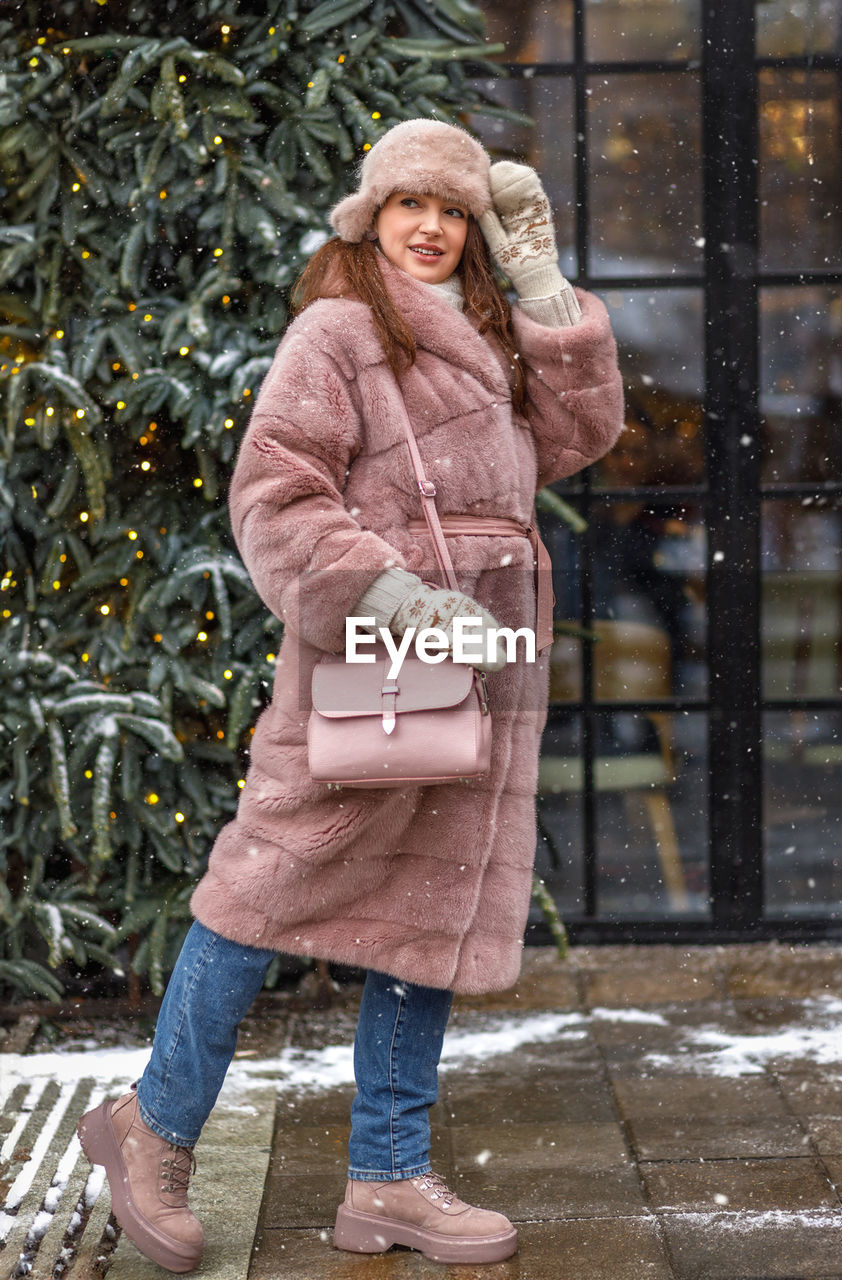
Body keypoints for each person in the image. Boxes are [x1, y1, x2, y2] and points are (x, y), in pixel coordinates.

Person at [76, 118, 623, 1271]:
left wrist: (543, 290)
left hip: (487, 654)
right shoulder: (337, 330)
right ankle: (153, 1128)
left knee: (427, 912)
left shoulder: (488, 333)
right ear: (369, 214)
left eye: (455, 211)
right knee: (267, 882)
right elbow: (274, 496)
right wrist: (401, 597)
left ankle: (388, 1176)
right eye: (410, 204)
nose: (431, 227)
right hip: (381, 636)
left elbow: (584, 431)